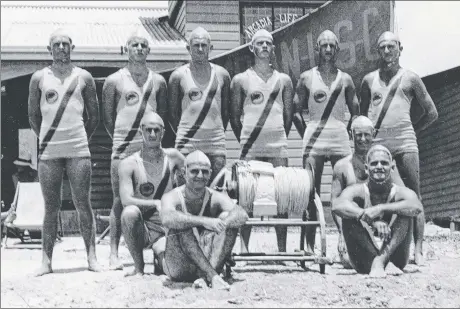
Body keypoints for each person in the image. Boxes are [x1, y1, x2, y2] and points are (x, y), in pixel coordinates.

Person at [360, 31, 438, 265]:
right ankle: (381, 247)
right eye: (382, 47)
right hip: (379, 147)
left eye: (391, 47)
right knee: (377, 195)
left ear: (400, 49)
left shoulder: (410, 78)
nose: (387, 52)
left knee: (414, 194)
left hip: (405, 144)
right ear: (378, 51)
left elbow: (432, 113)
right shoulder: (368, 80)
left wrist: (412, 130)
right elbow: (362, 116)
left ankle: (419, 249)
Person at [28, 28, 101, 276]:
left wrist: (78, 138)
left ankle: (92, 257)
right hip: (49, 149)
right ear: (49, 49)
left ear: (72, 47)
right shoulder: (39, 78)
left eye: (65, 44)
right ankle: (46, 261)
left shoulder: (84, 77)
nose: (61, 48)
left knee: (83, 203)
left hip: (78, 147)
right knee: (51, 206)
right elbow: (33, 117)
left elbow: (94, 116)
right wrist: (50, 139)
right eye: (56, 44)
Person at [102, 31, 168, 270]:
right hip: (123, 148)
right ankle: (113, 253)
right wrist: (125, 141)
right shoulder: (114, 81)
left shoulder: (158, 81)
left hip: (150, 150)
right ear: (126, 49)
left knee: (154, 197)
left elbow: (164, 116)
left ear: (148, 51)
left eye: (143, 45)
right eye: (134, 45)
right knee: (119, 200)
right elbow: (108, 118)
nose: (139, 49)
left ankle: (159, 246)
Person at [292, 30, 359, 255]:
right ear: (317, 49)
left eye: (332, 46)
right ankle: (310, 246)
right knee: (310, 192)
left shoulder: (346, 79)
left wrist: (346, 130)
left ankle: (348, 242)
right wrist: (307, 133)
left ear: (337, 49)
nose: (328, 50)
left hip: (339, 139)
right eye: (324, 46)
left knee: (347, 190)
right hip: (314, 140)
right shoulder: (306, 77)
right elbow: (294, 111)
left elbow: (356, 112)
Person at [229, 29, 294, 254]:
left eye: (268, 43)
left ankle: (282, 249)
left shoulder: (284, 80)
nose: (264, 47)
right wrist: (248, 141)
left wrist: (274, 135)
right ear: (251, 48)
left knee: (281, 197)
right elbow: (234, 117)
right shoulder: (241, 80)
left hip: (278, 147)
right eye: (260, 43)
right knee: (246, 197)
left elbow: (288, 117)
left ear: (273, 48)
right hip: (251, 148)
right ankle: (245, 249)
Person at [159, 150, 249, 290]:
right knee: (182, 223)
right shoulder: (172, 197)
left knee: (227, 218)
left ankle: (207, 276)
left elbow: (241, 214)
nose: (200, 176)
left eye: (205, 172)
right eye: (195, 171)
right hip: (180, 267)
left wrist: (222, 224)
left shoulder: (214, 196)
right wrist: (205, 222)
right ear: (184, 172)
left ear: (210, 173)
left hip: (207, 261)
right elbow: (167, 218)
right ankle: (212, 276)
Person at [332, 145, 422, 277]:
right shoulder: (359, 190)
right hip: (365, 261)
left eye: (384, 163)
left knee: (405, 212)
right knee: (349, 217)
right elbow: (337, 206)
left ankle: (380, 261)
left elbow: (416, 206)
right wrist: (367, 217)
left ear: (392, 167)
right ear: (367, 169)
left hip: (395, 259)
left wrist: (380, 208)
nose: (379, 166)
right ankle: (376, 261)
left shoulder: (399, 192)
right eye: (374, 163)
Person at [118, 112, 185, 276]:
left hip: (169, 226)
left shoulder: (174, 157)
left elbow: (189, 187)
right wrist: (154, 203)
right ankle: (139, 267)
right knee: (129, 213)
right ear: (141, 131)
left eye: (156, 130)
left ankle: (159, 258)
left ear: (163, 132)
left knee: (172, 271)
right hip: (146, 228)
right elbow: (126, 199)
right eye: (148, 130)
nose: (152, 134)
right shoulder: (129, 164)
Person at [168, 27, 231, 186]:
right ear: (188, 48)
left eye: (204, 45)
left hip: (215, 145)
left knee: (216, 191)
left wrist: (213, 131)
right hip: (187, 144)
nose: (201, 49)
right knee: (185, 193)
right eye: (196, 45)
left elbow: (225, 112)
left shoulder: (222, 74)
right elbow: (172, 114)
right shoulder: (178, 75)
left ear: (211, 47)